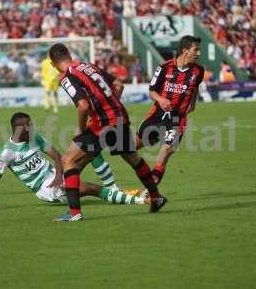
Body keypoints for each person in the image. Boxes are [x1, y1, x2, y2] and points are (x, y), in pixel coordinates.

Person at [49, 43, 167, 221]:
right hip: (119, 117)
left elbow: (82, 106)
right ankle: (155, 196)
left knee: (68, 160)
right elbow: (119, 85)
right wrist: (109, 108)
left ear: (52, 63)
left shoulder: (67, 76)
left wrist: (82, 128)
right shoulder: (88, 66)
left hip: (101, 124)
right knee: (132, 158)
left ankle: (74, 213)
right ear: (69, 54)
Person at [0, 113, 147, 211]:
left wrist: (59, 175)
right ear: (19, 129)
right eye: (28, 126)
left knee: (90, 150)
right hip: (45, 189)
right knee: (91, 188)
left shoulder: (34, 137)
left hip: (56, 175)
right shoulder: (6, 153)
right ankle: (140, 201)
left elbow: (55, 155)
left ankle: (113, 188)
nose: (32, 128)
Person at [135, 35, 204, 193]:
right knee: (130, 147)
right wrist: (161, 100)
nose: (199, 53)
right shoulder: (164, 68)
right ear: (185, 50)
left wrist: (192, 104)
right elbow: (152, 91)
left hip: (177, 119)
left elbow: (196, 87)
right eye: (196, 49)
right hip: (157, 114)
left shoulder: (198, 71)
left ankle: (150, 191)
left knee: (166, 152)